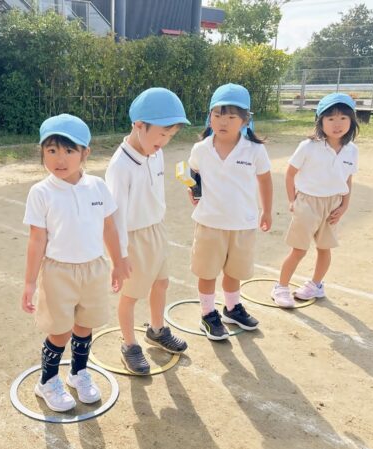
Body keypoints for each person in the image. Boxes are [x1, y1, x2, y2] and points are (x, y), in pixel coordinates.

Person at [21, 114, 127, 411]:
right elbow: (36, 240)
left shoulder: (97, 186)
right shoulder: (41, 192)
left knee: (84, 325)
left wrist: (118, 262)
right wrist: (29, 282)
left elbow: (109, 228)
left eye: (69, 150)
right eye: (52, 150)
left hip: (94, 268)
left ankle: (79, 373)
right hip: (59, 271)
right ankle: (47, 381)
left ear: (85, 153)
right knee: (59, 331)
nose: (60, 159)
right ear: (42, 152)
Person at [105, 88, 189, 375]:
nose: (164, 141)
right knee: (130, 295)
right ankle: (129, 345)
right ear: (139, 125)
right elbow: (114, 217)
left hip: (156, 230)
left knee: (161, 283)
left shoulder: (157, 153)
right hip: (133, 237)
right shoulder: (120, 166)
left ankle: (156, 329)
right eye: (162, 134)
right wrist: (119, 257)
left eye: (171, 136)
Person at [187, 83, 273, 341]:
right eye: (217, 115)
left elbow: (265, 180)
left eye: (231, 116)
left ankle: (232, 308)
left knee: (235, 271)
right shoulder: (201, 148)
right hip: (209, 223)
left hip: (243, 223)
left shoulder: (255, 150)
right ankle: (207, 314)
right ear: (209, 117)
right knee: (207, 272)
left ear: (245, 120)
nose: (223, 121)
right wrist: (193, 190)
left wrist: (267, 211)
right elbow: (192, 171)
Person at [271, 93, 359, 307]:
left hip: (333, 204)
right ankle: (281, 287)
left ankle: (316, 285)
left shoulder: (352, 150)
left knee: (324, 248)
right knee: (299, 249)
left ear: (352, 121)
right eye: (330, 118)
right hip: (308, 203)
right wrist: (292, 201)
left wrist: (344, 206)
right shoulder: (308, 146)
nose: (337, 124)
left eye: (343, 118)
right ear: (320, 121)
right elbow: (290, 174)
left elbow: (347, 179)